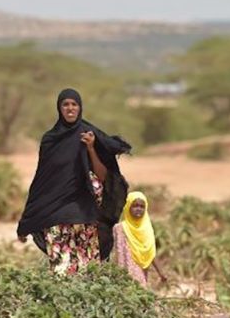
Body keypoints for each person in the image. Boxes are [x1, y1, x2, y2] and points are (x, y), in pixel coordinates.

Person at [16, 87, 131, 275]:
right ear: (59, 109)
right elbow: (41, 182)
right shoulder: (50, 140)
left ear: (80, 108)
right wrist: (26, 222)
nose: (70, 109)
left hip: (85, 218)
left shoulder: (89, 135)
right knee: (61, 274)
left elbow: (104, 177)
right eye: (65, 105)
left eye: (74, 104)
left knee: (88, 274)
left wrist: (92, 148)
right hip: (56, 218)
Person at [112, 191, 166, 287]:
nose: (138, 209)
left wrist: (160, 273)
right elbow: (116, 253)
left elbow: (151, 253)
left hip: (141, 273)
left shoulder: (147, 230)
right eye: (135, 206)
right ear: (128, 207)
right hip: (124, 275)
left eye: (142, 207)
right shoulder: (120, 228)